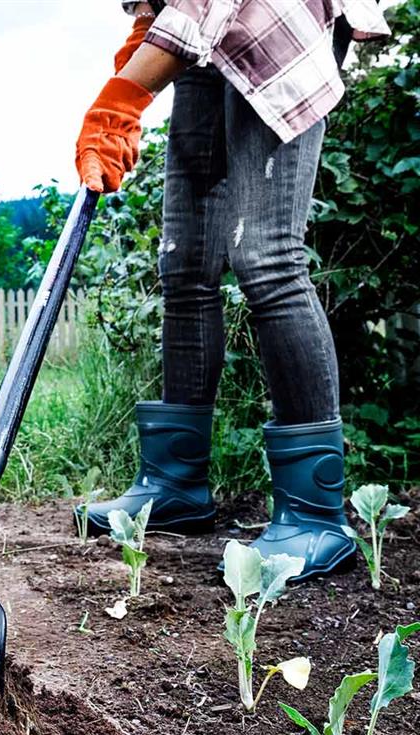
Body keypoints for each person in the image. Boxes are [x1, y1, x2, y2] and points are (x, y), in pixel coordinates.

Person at [75, 1, 389, 581]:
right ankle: (175, 483)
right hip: (207, 36)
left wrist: (123, 97)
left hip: (275, 15)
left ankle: (316, 514)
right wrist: (137, 52)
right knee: (184, 259)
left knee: (264, 254)